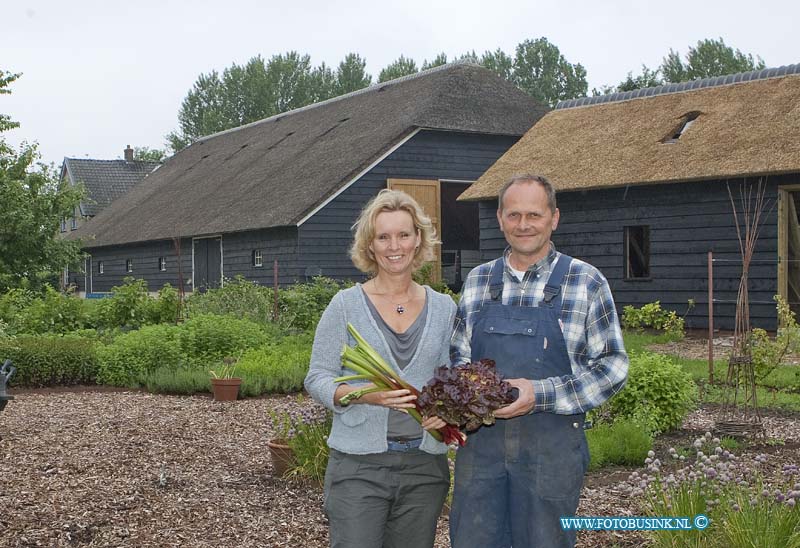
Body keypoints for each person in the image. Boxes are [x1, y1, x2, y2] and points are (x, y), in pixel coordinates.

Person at [449, 174, 629, 548]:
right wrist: (459, 400)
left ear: (554, 218)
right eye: (514, 215)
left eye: (534, 214)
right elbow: (459, 361)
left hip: (551, 453)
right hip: (482, 452)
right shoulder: (479, 281)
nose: (523, 224)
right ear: (500, 219)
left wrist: (541, 394)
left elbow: (612, 367)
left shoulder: (585, 281)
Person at [304, 188, 455, 548]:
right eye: (383, 237)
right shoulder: (346, 305)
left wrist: (446, 412)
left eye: (403, 234)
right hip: (359, 466)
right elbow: (317, 377)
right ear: (370, 245)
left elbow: (453, 379)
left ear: (418, 239)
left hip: (423, 466)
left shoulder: (444, 307)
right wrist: (365, 396)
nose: (394, 246)